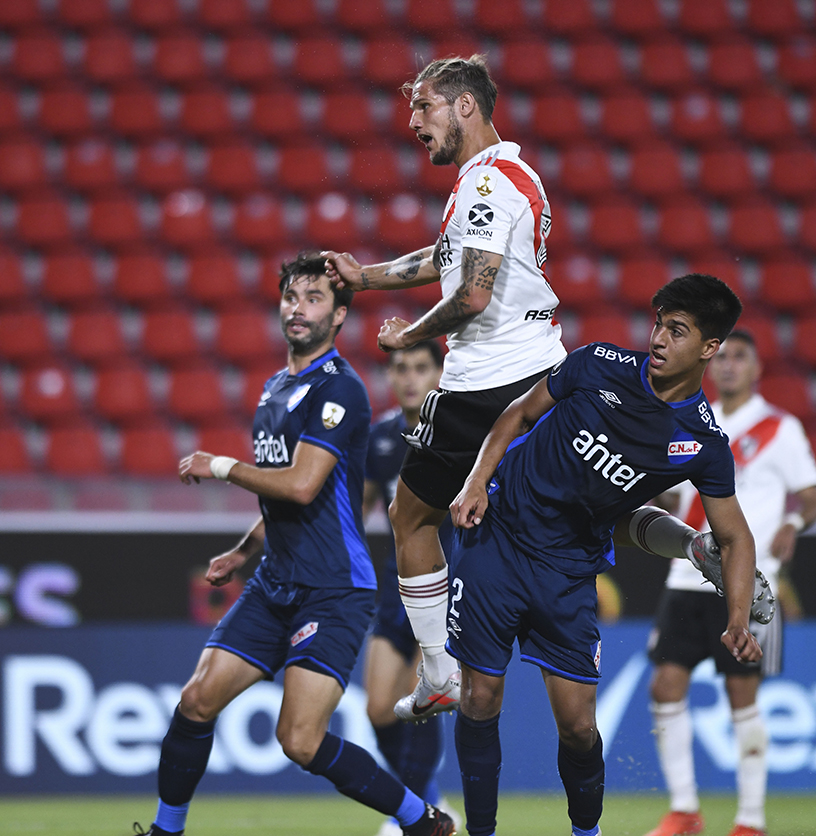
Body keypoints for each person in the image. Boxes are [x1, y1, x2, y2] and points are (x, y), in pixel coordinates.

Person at [135, 255, 454, 836]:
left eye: (313, 298)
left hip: (332, 589)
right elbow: (291, 492)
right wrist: (245, 549)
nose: (297, 308)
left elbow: (303, 485)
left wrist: (220, 465)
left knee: (300, 741)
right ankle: (165, 831)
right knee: (196, 700)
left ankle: (422, 820)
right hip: (274, 582)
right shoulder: (275, 388)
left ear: (339, 315)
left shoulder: (341, 389)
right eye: (291, 297)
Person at [446, 273, 763, 836]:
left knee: (577, 728)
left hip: (570, 568)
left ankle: (586, 831)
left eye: (678, 331)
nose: (659, 339)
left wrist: (737, 619)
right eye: (659, 324)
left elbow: (735, 536)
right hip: (499, 537)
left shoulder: (703, 442)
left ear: (708, 347)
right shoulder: (597, 364)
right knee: (479, 696)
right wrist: (476, 481)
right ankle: (481, 832)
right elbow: (520, 413)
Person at [323, 54, 565, 722]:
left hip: (484, 383)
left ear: (465, 105)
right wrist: (367, 277)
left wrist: (409, 336)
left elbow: (472, 295)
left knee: (410, 517)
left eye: (424, 106)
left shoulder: (485, 183)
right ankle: (691, 543)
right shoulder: (501, 178)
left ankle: (437, 672)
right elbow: (449, 260)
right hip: (541, 370)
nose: (413, 122)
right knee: (571, 509)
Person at [643, 330, 816, 836]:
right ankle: (684, 810)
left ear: (757, 368)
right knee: (664, 685)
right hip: (686, 576)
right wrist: (650, 495)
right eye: (723, 357)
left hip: (749, 583)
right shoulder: (691, 423)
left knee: (742, 695)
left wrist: (792, 523)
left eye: (741, 357)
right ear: (710, 365)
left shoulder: (779, 428)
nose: (730, 365)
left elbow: (810, 496)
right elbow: (675, 497)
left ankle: (751, 819)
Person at [362, 341, 455, 836]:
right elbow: (355, 512)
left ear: (440, 374)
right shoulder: (380, 438)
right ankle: (427, 802)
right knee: (378, 708)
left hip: (445, 587)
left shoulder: (462, 434)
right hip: (394, 588)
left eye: (421, 368)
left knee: (424, 703)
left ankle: (416, 813)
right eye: (401, 368)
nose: (410, 378)